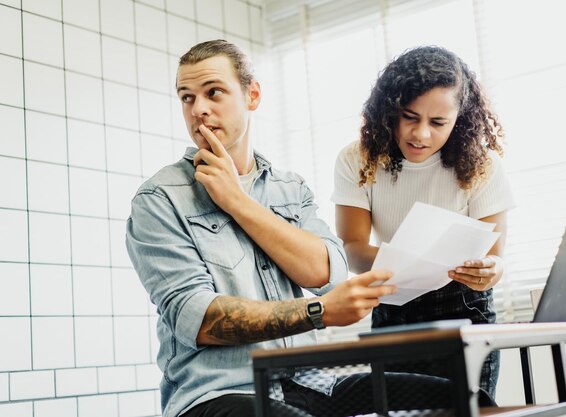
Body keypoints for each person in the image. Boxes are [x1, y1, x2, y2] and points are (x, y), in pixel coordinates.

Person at [126, 40, 471, 417]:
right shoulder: (160, 199)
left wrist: (238, 202)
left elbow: (325, 271)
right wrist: (318, 311)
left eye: (214, 93)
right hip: (218, 393)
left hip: (313, 382)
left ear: (252, 95)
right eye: (187, 98)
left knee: (461, 399)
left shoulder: (290, 188)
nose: (199, 110)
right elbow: (200, 319)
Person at [332, 45, 515, 398]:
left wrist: (490, 269)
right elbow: (353, 251)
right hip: (393, 305)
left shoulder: (482, 165)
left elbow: (495, 257)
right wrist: (412, 261)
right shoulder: (357, 159)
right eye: (409, 117)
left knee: (469, 408)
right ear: (389, 111)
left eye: (438, 122)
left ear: (459, 118)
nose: (421, 135)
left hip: (464, 308)